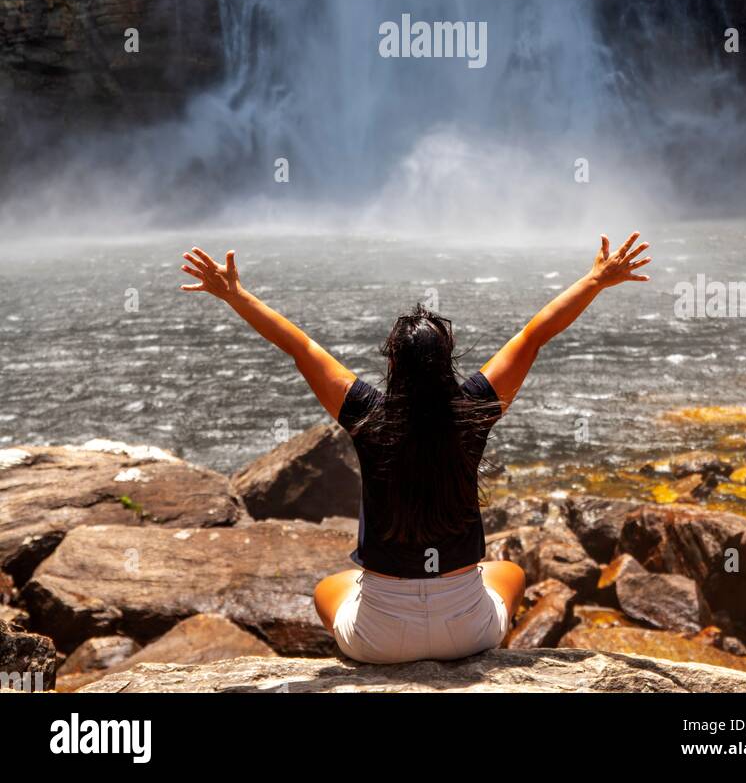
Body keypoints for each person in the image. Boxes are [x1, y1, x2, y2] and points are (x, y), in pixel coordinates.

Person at [180, 231, 650, 663]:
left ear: (392, 363)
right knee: (510, 575)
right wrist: (595, 280)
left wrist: (234, 294)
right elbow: (534, 335)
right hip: (468, 632)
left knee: (329, 588)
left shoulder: (367, 414)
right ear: (447, 363)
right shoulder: (475, 409)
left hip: (379, 640)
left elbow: (300, 347)